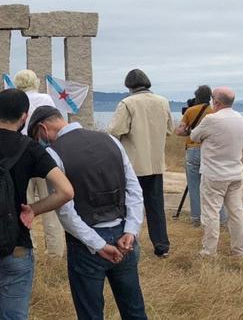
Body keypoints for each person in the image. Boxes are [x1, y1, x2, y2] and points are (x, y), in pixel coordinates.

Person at [0, 88, 74, 320]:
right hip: (16, 247)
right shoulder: (30, 148)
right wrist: (34, 210)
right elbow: (66, 191)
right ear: (25, 116)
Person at [28, 105, 147, 320]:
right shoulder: (111, 141)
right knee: (134, 309)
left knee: (90, 313)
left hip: (86, 244)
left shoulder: (53, 154)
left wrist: (98, 244)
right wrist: (131, 230)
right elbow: (134, 190)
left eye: (38, 137)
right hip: (124, 236)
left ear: (43, 129)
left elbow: (65, 211)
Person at [108, 69, 173, 258]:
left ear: (129, 85)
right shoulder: (163, 101)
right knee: (156, 206)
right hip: (155, 162)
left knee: (128, 205)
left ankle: (127, 242)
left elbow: (114, 130)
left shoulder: (128, 103)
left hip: (133, 164)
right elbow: (169, 129)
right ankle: (162, 246)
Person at [190, 87, 243, 258]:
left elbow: (194, 136)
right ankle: (239, 250)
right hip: (236, 173)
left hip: (215, 174)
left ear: (216, 102)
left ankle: (209, 251)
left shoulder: (211, 119)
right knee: (236, 212)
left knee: (211, 213)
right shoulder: (239, 118)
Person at [13, 69, 64, 258]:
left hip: (20, 156)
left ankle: (29, 247)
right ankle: (55, 252)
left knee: (23, 205)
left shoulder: (15, 99)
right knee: (50, 204)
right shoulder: (46, 99)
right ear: (36, 82)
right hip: (44, 155)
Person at [174, 85, 222, 227]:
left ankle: (196, 218)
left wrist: (190, 132)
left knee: (194, 186)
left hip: (193, 150)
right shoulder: (214, 111)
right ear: (210, 97)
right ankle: (220, 218)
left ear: (197, 96)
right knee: (214, 187)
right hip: (211, 151)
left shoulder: (190, 111)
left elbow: (179, 131)